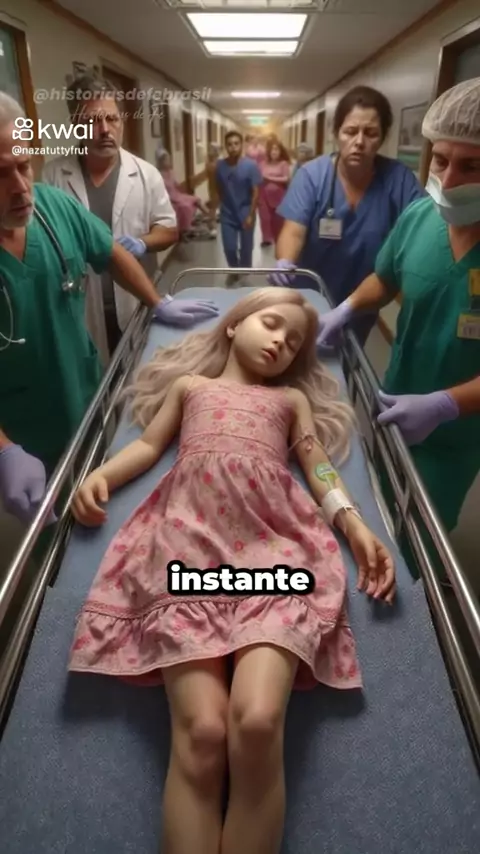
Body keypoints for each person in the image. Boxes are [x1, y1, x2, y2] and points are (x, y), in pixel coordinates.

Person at [68, 287, 395, 854]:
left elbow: (319, 468)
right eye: (271, 324)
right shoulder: (190, 388)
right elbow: (148, 446)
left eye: (293, 341)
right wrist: (100, 474)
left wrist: (356, 525)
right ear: (233, 325)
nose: (280, 342)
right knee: (203, 732)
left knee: (259, 721)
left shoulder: (290, 401)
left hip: (275, 556)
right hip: (188, 552)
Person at [0, 91, 219, 526]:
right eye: (0, 174)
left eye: (23, 166)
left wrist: (156, 301)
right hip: (22, 430)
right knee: (50, 534)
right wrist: (4, 450)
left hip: (85, 395)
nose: (21, 188)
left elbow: (109, 252)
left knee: (103, 502)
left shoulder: (54, 206)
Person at [316, 77, 480, 576]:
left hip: (458, 430)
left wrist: (445, 404)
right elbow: (385, 278)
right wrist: (346, 307)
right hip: (395, 393)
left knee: (421, 535)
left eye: (471, 166)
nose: (448, 179)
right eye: (440, 160)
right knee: (378, 500)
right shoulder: (419, 217)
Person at [269, 86, 425, 346]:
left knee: (348, 359)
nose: (359, 142)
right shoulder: (312, 176)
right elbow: (293, 232)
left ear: (382, 137)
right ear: (336, 133)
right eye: (351, 131)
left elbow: (425, 231)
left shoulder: (398, 180)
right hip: (308, 296)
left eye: (371, 133)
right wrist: (285, 260)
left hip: (362, 301)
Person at [42, 75, 180, 365]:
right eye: (93, 121)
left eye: (112, 119)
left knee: (138, 377)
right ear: (75, 124)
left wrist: (143, 243)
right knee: (94, 382)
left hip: (135, 300)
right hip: (79, 304)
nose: (105, 130)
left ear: (122, 122)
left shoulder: (146, 174)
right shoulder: (53, 176)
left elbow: (169, 230)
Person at [216, 131, 262, 283]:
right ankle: (234, 270)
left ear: (241, 145)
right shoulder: (220, 166)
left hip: (246, 211)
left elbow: (255, 191)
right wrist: (220, 207)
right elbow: (219, 188)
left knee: (246, 247)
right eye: (229, 144)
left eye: (236, 143)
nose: (233, 147)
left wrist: (251, 214)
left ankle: (243, 273)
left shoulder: (251, 166)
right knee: (229, 247)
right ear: (226, 147)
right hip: (227, 213)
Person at [157, 148, 216, 242]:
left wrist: (182, 189)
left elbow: (176, 185)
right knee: (185, 206)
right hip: (170, 197)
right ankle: (185, 229)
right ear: (161, 162)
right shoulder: (158, 175)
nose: (168, 162)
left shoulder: (171, 172)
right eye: (166, 160)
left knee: (197, 199)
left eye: (169, 159)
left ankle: (210, 218)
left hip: (177, 194)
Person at [258, 138, 291, 247]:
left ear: (280, 151)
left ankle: (278, 238)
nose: (274, 152)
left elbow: (286, 178)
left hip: (279, 196)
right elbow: (258, 177)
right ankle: (266, 239)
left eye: (276, 149)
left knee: (277, 220)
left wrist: (269, 178)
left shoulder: (283, 164)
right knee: (265, 218)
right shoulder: (263, 164)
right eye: (272, 149)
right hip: (263, 195)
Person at [205, 141, 221, 229]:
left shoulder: (217, 161)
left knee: (216, 205)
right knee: (214, 206)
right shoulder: (211, 162)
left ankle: (212, 221)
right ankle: (211, 223)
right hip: (214, 186)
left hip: (217, 186)